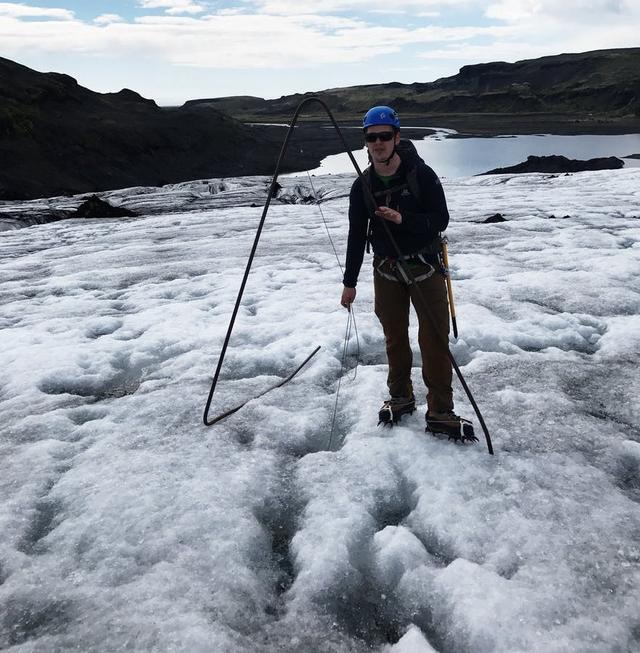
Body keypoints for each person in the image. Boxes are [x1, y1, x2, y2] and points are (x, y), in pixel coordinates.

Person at [340, 105, 475, 441]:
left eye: (385, 136)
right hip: (386, 271)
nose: (379, 143)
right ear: (366, 143)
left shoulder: (421, 175)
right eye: (372, 137)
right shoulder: (363, 187)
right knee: (394, 337)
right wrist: (349, 283)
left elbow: (440, 220)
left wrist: (404, 220)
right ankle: (401, 397)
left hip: (425, 268)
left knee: (433, 338)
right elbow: (357, 235)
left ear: (397, 138)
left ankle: (440, 410)